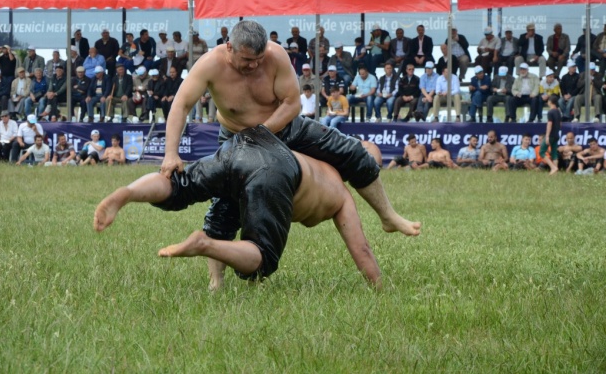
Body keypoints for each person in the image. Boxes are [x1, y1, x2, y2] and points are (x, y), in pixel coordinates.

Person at [160, 20, 421, 268]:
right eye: (247, 60)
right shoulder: (208, 65)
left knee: (352, 151)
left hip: (285, 128)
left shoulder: (277, 56)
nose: (254, 66)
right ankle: (216, 283)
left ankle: (388, 216)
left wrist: (261, 132)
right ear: (230, 47)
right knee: (223, 208)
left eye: (258, 59)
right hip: (236, 139)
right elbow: (181, 105)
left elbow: (292, 104)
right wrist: (171, 153)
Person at [95, 125, 398, 290]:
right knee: (261, 260)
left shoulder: (312, 150)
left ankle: (129, 192)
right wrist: (380, 288)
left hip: (243, 143)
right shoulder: (341, 195)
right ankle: (205, 244)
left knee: (182, 188)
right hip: (274, 172)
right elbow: (362, 251)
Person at [540, 94, 562, 175]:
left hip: (551, 134)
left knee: (542, 152)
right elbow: (560, 124)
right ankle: (555, 172)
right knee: (554, 153)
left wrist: (547, 136)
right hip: (556, 134)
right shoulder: (558, 112)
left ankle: (553, 167)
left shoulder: (551, 112)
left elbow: (549, 124)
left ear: (550, 102)